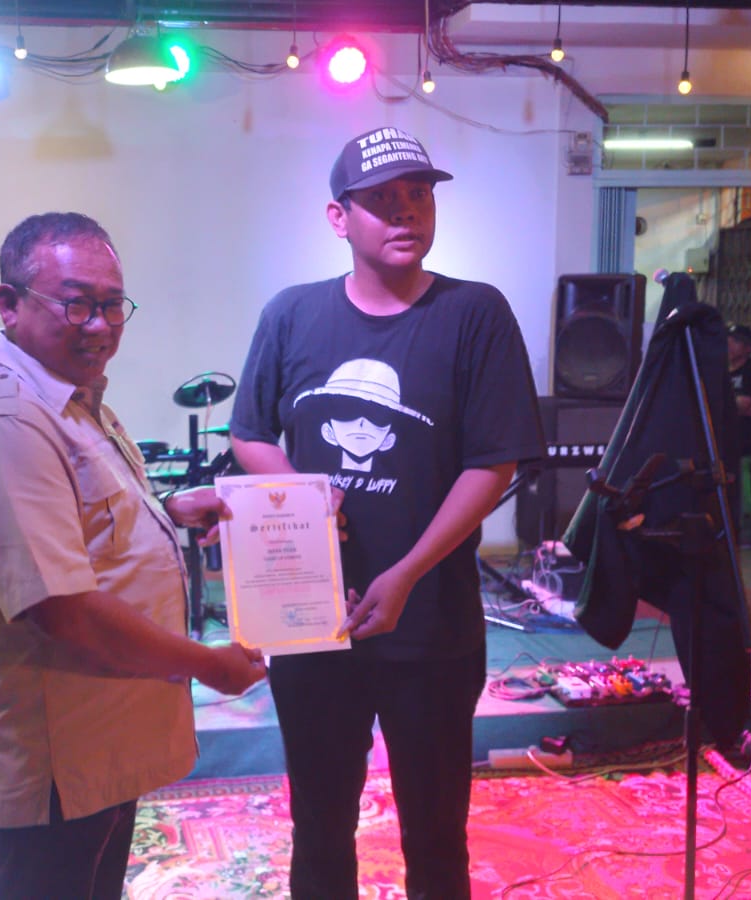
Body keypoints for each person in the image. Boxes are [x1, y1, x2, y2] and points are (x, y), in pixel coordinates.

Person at [230, 127, 545, 899]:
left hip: (432, 626)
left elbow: (493, 463)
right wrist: (305, 500)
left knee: (436, 837)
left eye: (419, 195)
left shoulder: (473, 313)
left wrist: (405, 573)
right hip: (314, 622)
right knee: (319, 828)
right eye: (381, 199)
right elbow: (249, 433)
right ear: (339, 218)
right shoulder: (292, 314)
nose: (406, 212)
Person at [0, 212, 266, 899]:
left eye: (113, 305)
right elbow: (65, 612)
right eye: (76, 303)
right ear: (9, 304)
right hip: (58, 757)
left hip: (100, 738)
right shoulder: (10, 423)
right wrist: (209, 665)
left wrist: (167, 511)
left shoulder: (68, 400)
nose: (100, 324)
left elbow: (79, 522)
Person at [727, 324, 751, 459]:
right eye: (728, 340)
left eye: (736, 341)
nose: (729, 345)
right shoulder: (720, 370)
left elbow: (741, 405)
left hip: (745, 442)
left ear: (748, 348)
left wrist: (720, 404)